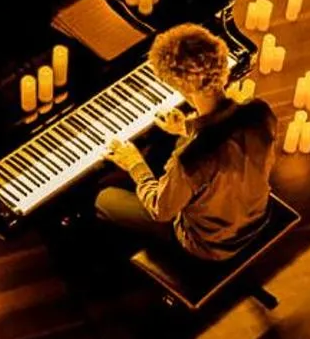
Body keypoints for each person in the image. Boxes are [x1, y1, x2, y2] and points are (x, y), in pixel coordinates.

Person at [99, 24, 280, 260]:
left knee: (104, 199)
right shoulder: (260, 112)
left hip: (208, 244)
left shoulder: (190, 158)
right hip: (255, 216)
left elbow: (160, 209)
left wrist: (135, 164)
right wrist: (186, 127)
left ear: (180, 87)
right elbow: (228, 144)